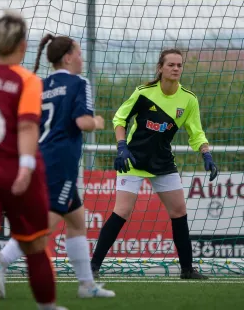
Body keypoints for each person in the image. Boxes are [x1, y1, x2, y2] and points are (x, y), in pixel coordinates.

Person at [0, 34, 115, 299]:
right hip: (61, 161)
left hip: (40, 156)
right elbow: (82, 122)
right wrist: (99, 122)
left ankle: (86, 285)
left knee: (77, 221)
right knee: (43, 225)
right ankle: (3, 259)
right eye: (78, 53)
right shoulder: (79, 82)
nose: (81, 58)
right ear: (67, 57)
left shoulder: (42, 85)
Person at [0, 12, 66, 310]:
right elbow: (28, 126)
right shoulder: (27, 80)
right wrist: (26, 167)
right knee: (34, 245)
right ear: (24, 45)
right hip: (17, 169)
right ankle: (47, 307)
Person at [90, 48, 218, 280]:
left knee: (179, 211)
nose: (176, 69)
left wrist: (206, 154)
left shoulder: (189, 100)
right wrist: (122, 147)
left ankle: (187, 269)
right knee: (122, 210)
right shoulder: (143, 93)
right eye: (171, 65)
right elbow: (120, 119)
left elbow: (196, 133)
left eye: (179, 65)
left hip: (163, 163)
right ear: (160, 68)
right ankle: (93, 266)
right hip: (134, 160)